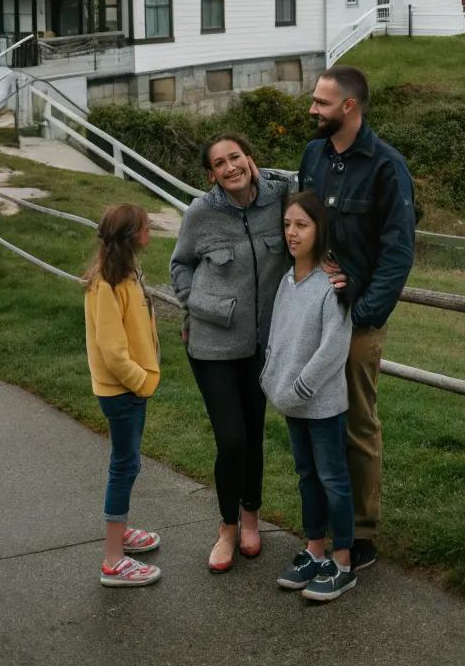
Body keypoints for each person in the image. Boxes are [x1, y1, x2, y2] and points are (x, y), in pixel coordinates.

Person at [299, 64, 415, 571]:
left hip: (358, 320)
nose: (312, 109)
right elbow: (303, 226)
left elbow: (398, 251)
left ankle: (362, 533)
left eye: (321, 103)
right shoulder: (312, 156)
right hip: (314, 313)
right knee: (314, 420)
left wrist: (364, 314)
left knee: (356, 424)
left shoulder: (388, 167)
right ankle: (323, 528)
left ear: (349, 107)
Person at [170, 132, 288, 573]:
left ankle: (252, 517)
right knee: (232, 439)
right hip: (212, 345)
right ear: (211, 175)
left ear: (250, 159)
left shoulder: (278, 199)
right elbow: (180, 265)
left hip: (261, 344)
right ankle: (227, 527)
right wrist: (199, 305)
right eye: (219, 163)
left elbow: (311, 186)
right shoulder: (201, 213)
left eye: (235, 157)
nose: (230, 167)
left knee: (253, 435)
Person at [261, 190, 356, 603]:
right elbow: (279, 336)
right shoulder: (287, 282)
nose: (292, 233)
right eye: (287, 225)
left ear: (319, 230)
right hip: (290, 400)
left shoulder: (331, 285)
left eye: (302, 225)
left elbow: (334, 347)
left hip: (321, 404)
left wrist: (302, 386)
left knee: (333, 479)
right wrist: (271, 376)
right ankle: (315, 551)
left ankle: (343, 563)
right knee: (306, 476)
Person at [83, 202, 162, 588]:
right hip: (123, 391)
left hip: (128, 390)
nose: (150, 232)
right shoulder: (107, 284)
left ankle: (121, 531)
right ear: (131, 236)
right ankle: (113, 560)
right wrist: (141, 381)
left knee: (127, 462)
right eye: (146, 227)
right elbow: (113, 351)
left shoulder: (126, 274)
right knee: (124, 466)